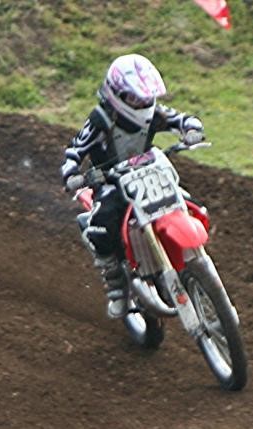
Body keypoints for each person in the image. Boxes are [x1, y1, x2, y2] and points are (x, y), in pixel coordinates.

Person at [60, 54, 205, 319]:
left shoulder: (153, 113)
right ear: (117, 95)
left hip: (149, 173)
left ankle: (186, 253)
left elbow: (180, 119)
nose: (142, 104)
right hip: (112, 182)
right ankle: (116, 286)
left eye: (146, 98)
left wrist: (192, 130)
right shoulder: (101, 120)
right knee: (102, 225)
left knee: (187, 200)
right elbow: (74, 150)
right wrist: (72, 175)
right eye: (135, 98)